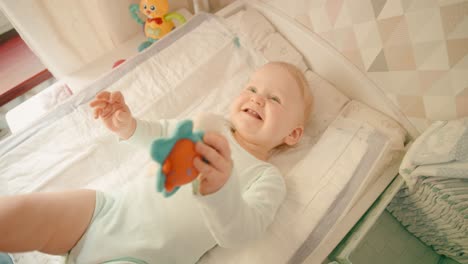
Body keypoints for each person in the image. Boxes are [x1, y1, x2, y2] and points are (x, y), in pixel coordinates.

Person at [0, 61, 313, 263]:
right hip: (105, 212)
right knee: (18, 213)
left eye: (274, 99)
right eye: (252, 89)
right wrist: (127, 125)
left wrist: (220, 190)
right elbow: (162, 136)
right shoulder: (209, 123)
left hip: (147, 257)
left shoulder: (268, 177)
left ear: (293, 134)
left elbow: (242, 233)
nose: (257, 99)